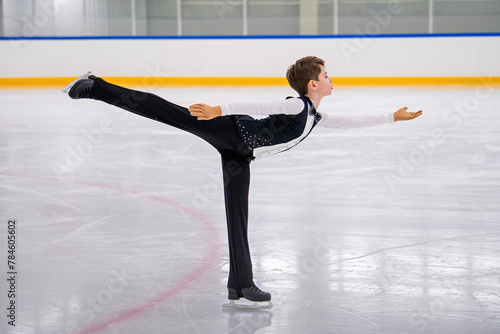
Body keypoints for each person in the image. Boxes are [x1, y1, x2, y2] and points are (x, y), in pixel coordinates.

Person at [64, 56, 422, 308]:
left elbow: (349, 121)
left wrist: (392, 117)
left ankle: (240, 284)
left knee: (239, 216)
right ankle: (95, 87)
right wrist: (220, 110)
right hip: (230, 129)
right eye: (327, 74)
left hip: (240, 155)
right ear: (313, 84)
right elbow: (260, 102)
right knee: (167, 111)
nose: (332, 79)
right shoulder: (297, 105)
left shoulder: (315, 115)